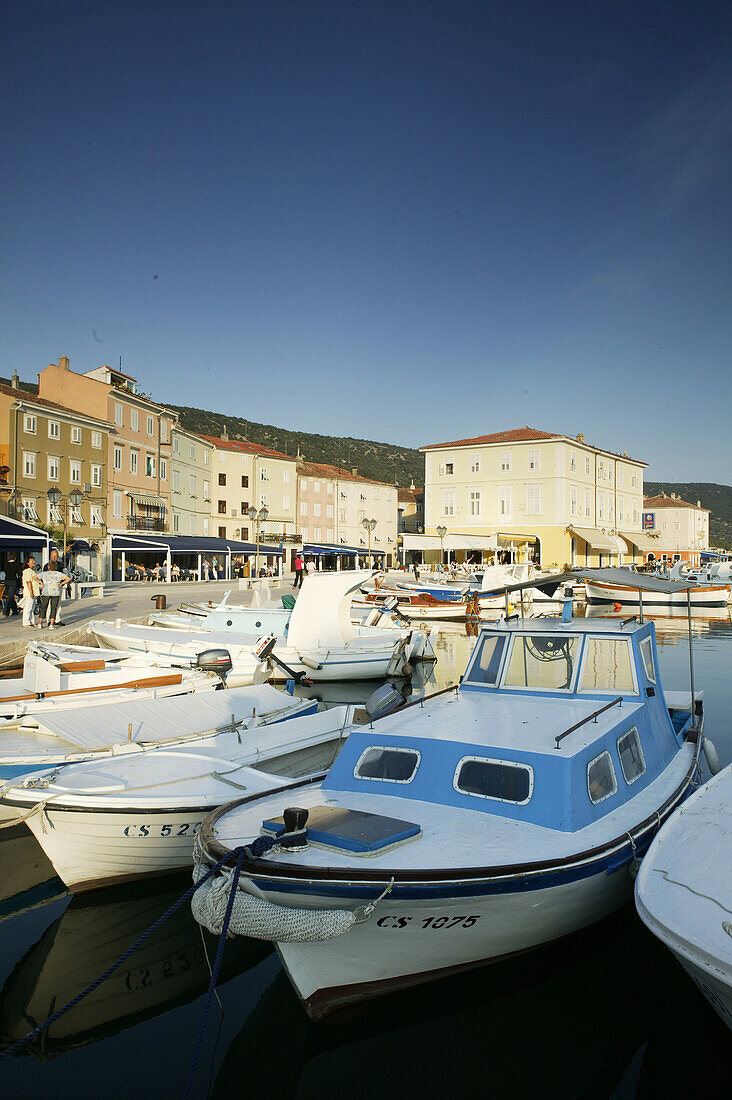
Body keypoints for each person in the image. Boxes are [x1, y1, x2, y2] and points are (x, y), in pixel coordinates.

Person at [41, 559, 71, 628]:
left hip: (56, 589)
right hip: (50, 589)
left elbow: (67, 577)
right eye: (53, 556)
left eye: (56, 556)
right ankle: (49, 620)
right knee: (49, 605)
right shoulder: (46, 567)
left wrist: (61, 584)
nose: (55, 557)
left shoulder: (60, 565)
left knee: (57, 605)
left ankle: (56, 619)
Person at [21, 555, 43, 628]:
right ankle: (26, 622)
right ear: (28, 563)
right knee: (28, 607)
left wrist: (40, 583)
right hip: (29, 592)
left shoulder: (32, 571)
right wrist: (31, 592)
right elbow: (28, 582)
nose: (34, 562)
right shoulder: (27, 571)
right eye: (32, 561)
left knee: (32, 608)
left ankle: (31, 621)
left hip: (34, 592)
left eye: (34, 560)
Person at [3, 552, 21, 617]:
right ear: (15, 558)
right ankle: (6, 612)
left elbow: (5, 571)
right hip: (13, 581)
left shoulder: (6, 564)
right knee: (10, 597)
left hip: (6, 580)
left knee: (10, 596)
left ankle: (15, 610)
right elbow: (19, 573)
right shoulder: (16, 564)